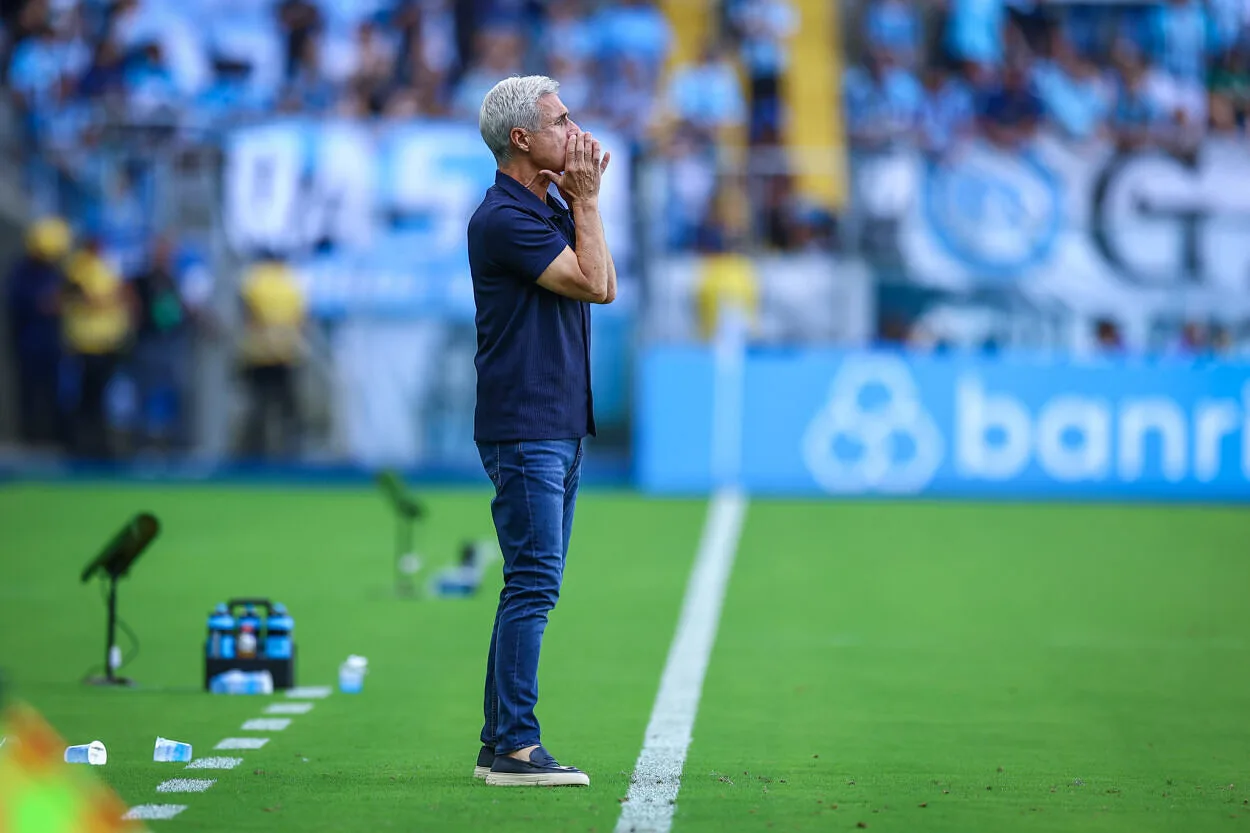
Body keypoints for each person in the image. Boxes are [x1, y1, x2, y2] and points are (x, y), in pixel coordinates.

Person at [466, 74, 616, 788]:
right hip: (528, 425)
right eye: (560, 120)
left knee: (526, 584)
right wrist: (585, 200)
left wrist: (580, 201)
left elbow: (605, 280)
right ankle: (518, 748)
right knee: (533, 584)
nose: (575, 131)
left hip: (550, 422)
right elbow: (594, 283)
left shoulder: (540, 206)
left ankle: (499, 740)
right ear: (521, 138)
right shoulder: (504, 217)